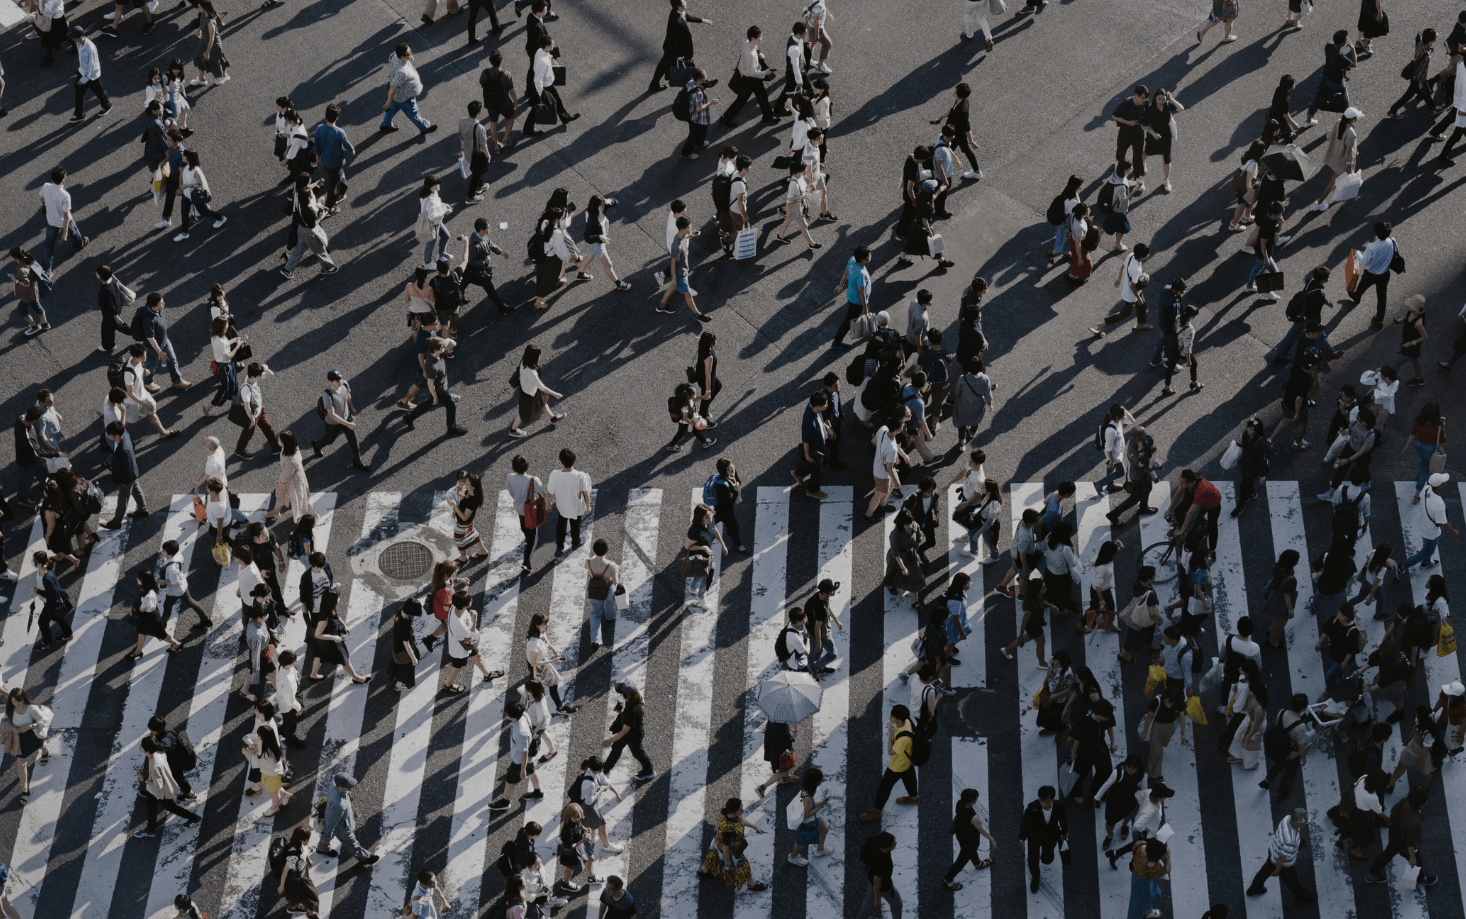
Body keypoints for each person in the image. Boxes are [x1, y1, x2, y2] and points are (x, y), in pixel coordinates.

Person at [858, 704, 920, 821]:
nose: (890, 718)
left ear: (899, 720)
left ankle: (877, 810)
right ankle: (914, 798)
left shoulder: (903, 739)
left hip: (897, 765)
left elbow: (891, 752)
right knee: (909, 779)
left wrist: (890, 736)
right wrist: (892, 728)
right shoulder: (907, 722)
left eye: (893, 717)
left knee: (884, 787)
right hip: (907, 761)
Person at [131, 735, 200, 837]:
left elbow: (158, 784)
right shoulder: (159, 753)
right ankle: (150, 830)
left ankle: (195, 818)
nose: (140, 747)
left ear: (147, 749)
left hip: (161, 791)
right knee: (151, 805)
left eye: (142, 746)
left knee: (171, 807)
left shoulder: (155, 764)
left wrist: (144, 780)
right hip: (158, 787)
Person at [280, 175, 338, 278]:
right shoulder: (309, 211)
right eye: (311, 195)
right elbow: (313, 225)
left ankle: (287, 270)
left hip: (301, 229)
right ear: (308, 198)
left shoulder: (299, 197)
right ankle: (328, 268)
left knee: (299, 249)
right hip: (309, 232)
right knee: (320, 250)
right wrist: (323, 215)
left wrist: (315, 185)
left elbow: (306, 189)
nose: (312, 195)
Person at [720, 26, 778, 127]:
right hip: (750, 79)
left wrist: (759, 53)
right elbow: (752, 73)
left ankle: (767, 116)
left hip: (750, 76)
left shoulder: (748, 43)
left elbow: (755, 49)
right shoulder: (750, 55)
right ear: (753, 39)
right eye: (760, 37)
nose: (761, 38)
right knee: (743, 99)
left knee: (761, 96)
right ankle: (726, 118)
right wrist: (765, 73)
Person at [316, 774, 380, 864]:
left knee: (328, 834)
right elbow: (332, 823)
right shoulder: (339, 805)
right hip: (342, 827)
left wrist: (327, 835)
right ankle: (365, 858)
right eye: (348, 787)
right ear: (340, 787)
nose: (350, 789)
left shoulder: (333, 784)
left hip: (331, 816)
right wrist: (327, 836)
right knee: (352, 843)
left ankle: (322, 848)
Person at [1402, 472, 1461, 571]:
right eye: (1443, 482)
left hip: (1422, 523)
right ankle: (1402, 566)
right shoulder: (1439, 504)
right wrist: (1453, 531)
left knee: (1427, 547)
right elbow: (1442, 522)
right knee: (1427, 551)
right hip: (1430, 531)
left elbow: (1422, 498)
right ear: (1440, 486)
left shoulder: (1426, 488)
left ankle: (1426, 562)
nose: (1445, 483)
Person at [1342, 220, 1397, 326]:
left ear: (1376, 232)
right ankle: (1379, 318)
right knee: (1382, 296)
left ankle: (1356, 297)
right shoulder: (1393, 241)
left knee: (1362, 287)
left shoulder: (1372, 246)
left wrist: (1357, 253)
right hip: (1385, 274)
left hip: (1371, 274)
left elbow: (1364, 261)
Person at [508, 344, 567, 438]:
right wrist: (556, 394)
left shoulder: (524, 362)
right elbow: (542, 387)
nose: (539, 357)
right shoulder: (531, 373)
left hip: (532, 390)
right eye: (538, 355)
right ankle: (513, 430)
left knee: (542, 403)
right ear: (534, 357)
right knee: (522, 413)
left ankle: (553, 418)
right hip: (528, 394)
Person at [1018, 786, 1069, 894]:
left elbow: (1063, 820)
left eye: (1046, 802)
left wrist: (1065, 832)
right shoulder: (1032, 807)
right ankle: (1035, 878)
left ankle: (1047, 856)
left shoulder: (1059, 806)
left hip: (1051, 836)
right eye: (1042, 801)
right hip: (1034, 837)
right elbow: (1025, 823)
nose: (1044, 804)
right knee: (1033, 859)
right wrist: (1022, 839)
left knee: (1047, 858)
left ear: (1053, 799)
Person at [943, 787, 995, 891]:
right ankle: (947, 880)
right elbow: (982, 830)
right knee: (961, 861)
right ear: (972, 801)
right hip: (970, 840)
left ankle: (978, 864)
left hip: (961, 835)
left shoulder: (960, 803)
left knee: (972, 852)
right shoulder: (973, 817)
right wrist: (992, 840)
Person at [601, 682, 655, 781]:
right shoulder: (632, 699)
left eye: (621, 692)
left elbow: (625, 731)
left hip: (633, 737)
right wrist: (621, 712)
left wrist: (610, 740)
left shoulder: (632, 710)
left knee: (638, 753)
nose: (620, 694)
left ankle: (649, 771)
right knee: (616, 748)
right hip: (630, 733)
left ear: (627, 694)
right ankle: (607, 768)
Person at [381, 43, 437, 135]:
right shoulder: (401, 72)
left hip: (398, 96)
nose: (411, 54)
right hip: (405, 97)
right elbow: (393, 87)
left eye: (410, 52)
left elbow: (390, 57)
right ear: (402, 57)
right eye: (409, 54)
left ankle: (386, 124)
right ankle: (424, 128)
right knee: (413, 113)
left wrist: (409, 58)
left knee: (392, 109)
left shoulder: (395, 56)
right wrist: (388, 101)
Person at [1312, 108, 1362, 210]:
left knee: (1336, 178)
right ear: (1353, 119)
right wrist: (1350, 165)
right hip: (1342, 162)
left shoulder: (1338, 122)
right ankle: (1319, 203)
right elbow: (1349, 153)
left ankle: (1351, 182)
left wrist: (1337, 146)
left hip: (1333, 156)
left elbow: (1329, 136)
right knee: (1333, 181)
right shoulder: (1351, 133)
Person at [68, 28, 111, 124]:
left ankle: (107, 106)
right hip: (83, 72)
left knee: (99, 92)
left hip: (91, 76)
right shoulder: (79, 43)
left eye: (74, 38)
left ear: (81, 37)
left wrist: (83, 80)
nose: (73, 40)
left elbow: (90, 67)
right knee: (80, 94)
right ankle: (79, 115)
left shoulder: (90, 48)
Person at [856, 833, 900, 919]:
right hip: (884, 886)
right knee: (897, 903)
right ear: (886, 847)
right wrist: (877, 899)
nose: (895, 843)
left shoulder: (875, 844)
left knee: (869, 898)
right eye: (894, 843)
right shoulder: (883, 862)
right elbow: (877, 881)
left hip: (871, 876)